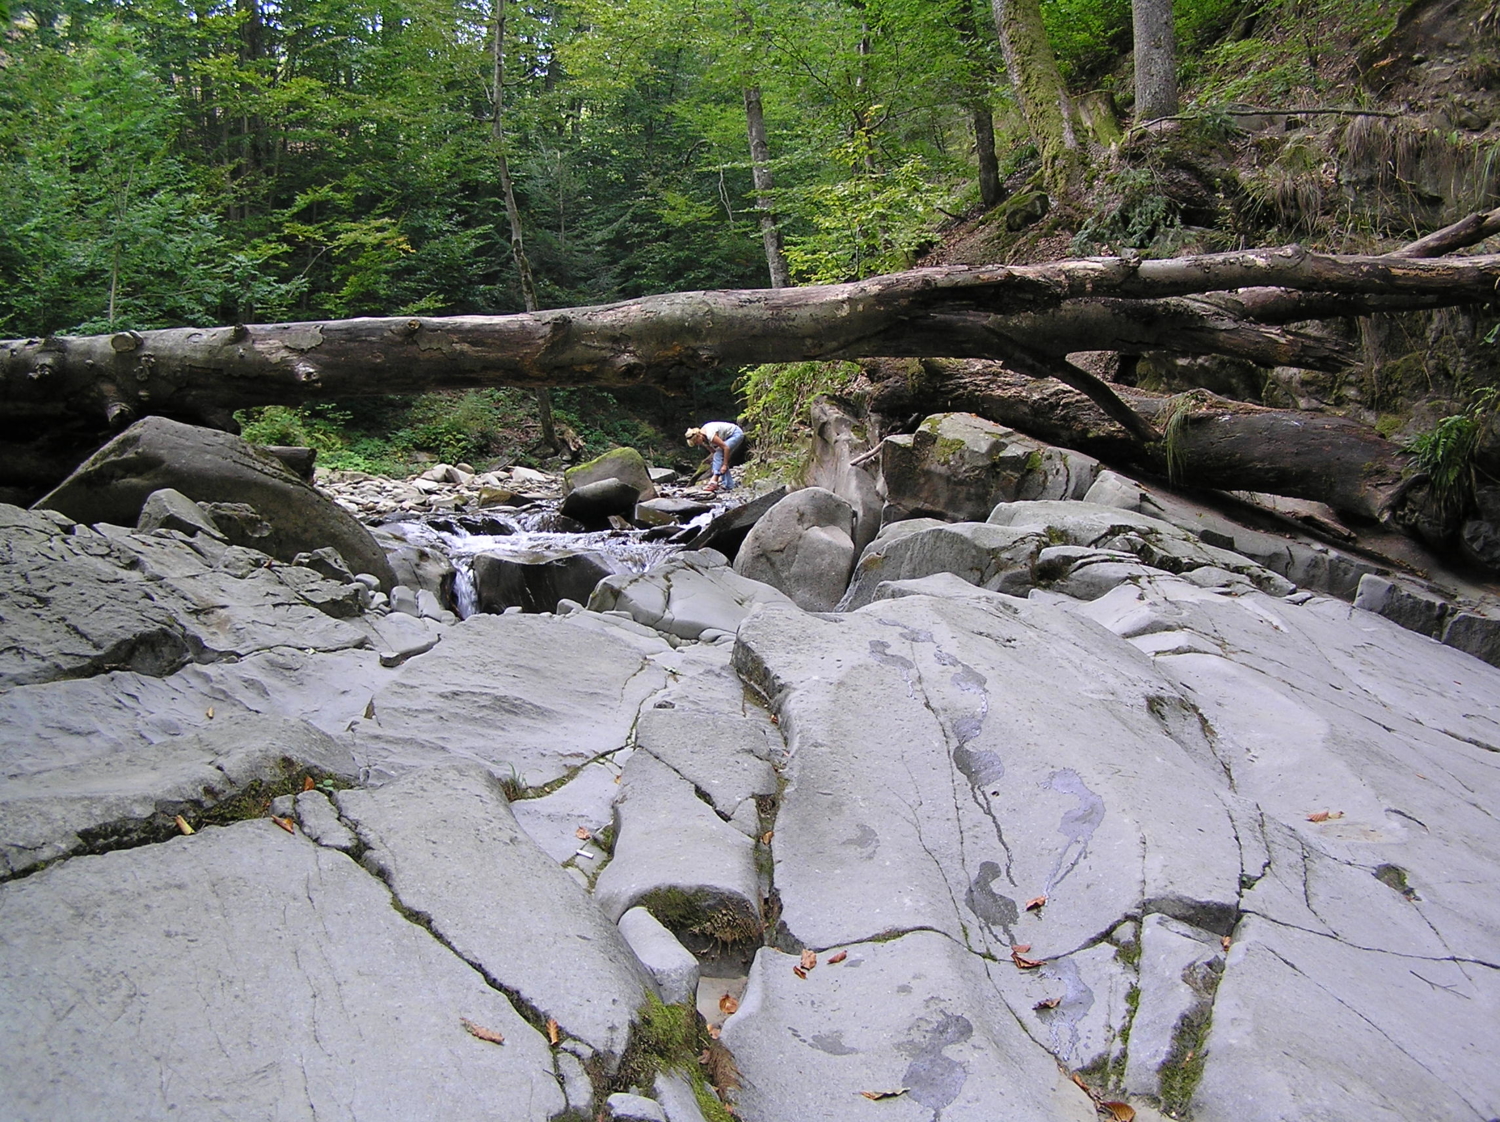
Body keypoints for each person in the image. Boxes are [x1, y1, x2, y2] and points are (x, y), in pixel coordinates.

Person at [685, 421, 745, 492]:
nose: (697, 444)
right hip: (728, 438)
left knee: (719, 453)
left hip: (736, 434)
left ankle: (714, 481)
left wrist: (725, 465)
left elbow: (726, 448)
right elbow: (713, 452)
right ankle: (729, 485)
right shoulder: (703, 437)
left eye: (696, 442)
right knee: (719, 459)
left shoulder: (710, 435)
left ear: (698, 436)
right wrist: (717, 465)